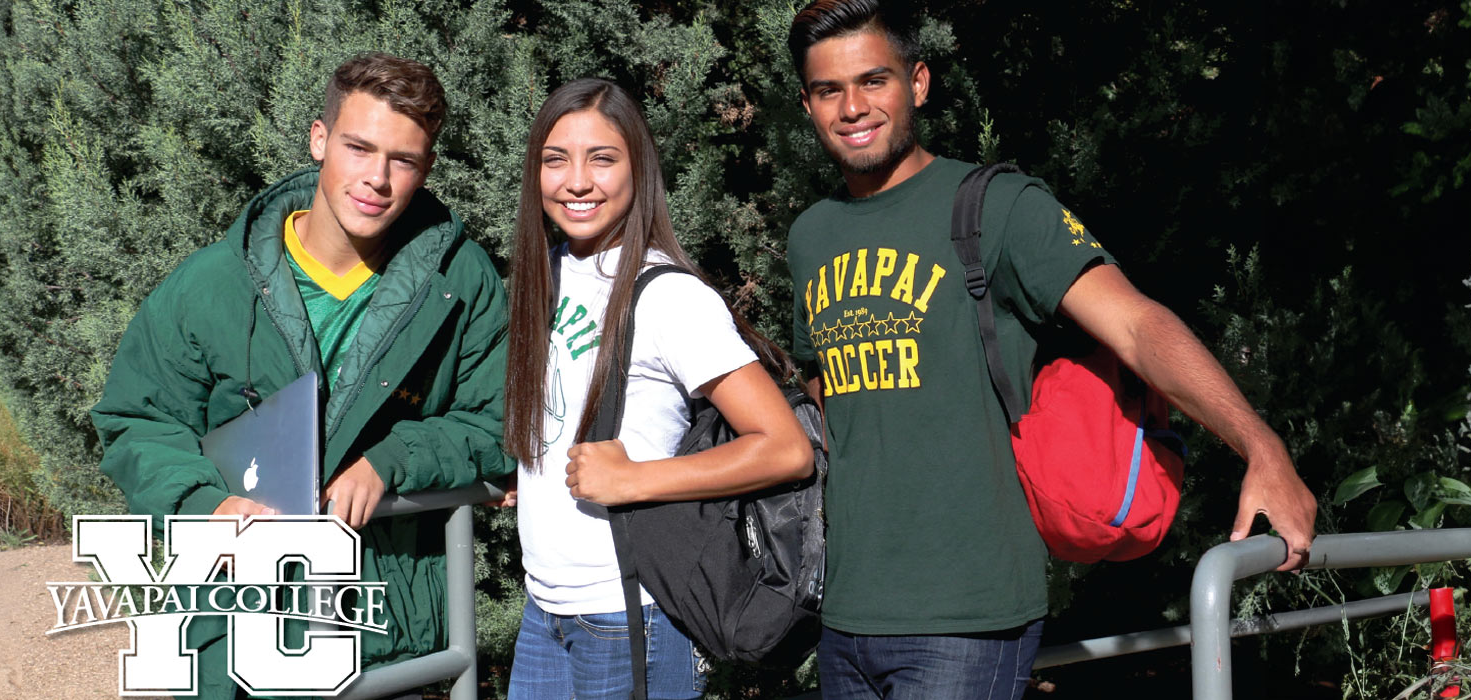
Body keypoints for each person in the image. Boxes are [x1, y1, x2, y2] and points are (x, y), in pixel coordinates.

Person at [781, 2, 1320, 698]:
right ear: (807, 104)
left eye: (873, 81)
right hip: (846, 615)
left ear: (918, 82)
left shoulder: (996, 206)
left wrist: (1262, 448)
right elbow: (830, 394)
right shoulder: (812, 236)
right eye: (829, 90)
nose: (853, 107)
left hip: (967, 615)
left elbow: (1136, 325)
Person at [90, 52, 512, 699]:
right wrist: (205, 505)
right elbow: (138, 421)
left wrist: (392, 460)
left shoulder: (461, 281)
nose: (376, 178)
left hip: (383, 630)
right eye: (358, 147)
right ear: (319, 139)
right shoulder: (212, 283)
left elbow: (495, 421)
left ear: (427, 168)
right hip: (235, 625)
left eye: (402, 160)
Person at [498, 77, 816, 700]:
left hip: (630, 613)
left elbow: (785, 448)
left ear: (638, 170)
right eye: (556, 159)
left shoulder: (669, 296)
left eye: (602, 159)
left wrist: (634, 479)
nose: (577, 181)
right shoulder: (548, 273)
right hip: (544, 613)